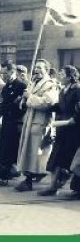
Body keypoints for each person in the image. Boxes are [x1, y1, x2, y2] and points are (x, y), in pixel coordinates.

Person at [15, 59, 59, 191]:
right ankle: (31, 176)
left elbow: (48, 102)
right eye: (36, 67)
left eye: (40, 68)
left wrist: (30, 98)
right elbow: (26, 102)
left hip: (40, 121)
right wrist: (23, 99)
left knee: (35, 153)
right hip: (29, 119)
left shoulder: (50, 84)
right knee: (28, 151)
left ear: (46, 70)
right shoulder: (32, 82)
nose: (37, 70)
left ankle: (30, 179)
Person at [38, 65, 80, 196]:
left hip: (74, 131)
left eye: (62, 73)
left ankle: (72, 188)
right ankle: (52, 187)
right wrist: (48, 107)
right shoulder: (63, 91)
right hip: (62, 130)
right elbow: (61, 107)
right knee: (56, 159)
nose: (59, 76)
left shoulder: (77, 90)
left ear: (70, 76)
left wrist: (72, 120)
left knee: (71, 161)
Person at [0, 62, 27, 186]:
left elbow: (22, 107)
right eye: (2, 73)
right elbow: (6, 102)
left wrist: (10, 105)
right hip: (7, 121)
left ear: (12, 72)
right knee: (4, 149)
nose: (3, 75)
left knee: (9, 150)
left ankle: (4, 176)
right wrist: (0, 105)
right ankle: (4, 174)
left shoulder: (21, 86)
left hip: (15, 122)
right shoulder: (6, 87)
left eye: (5, 73)